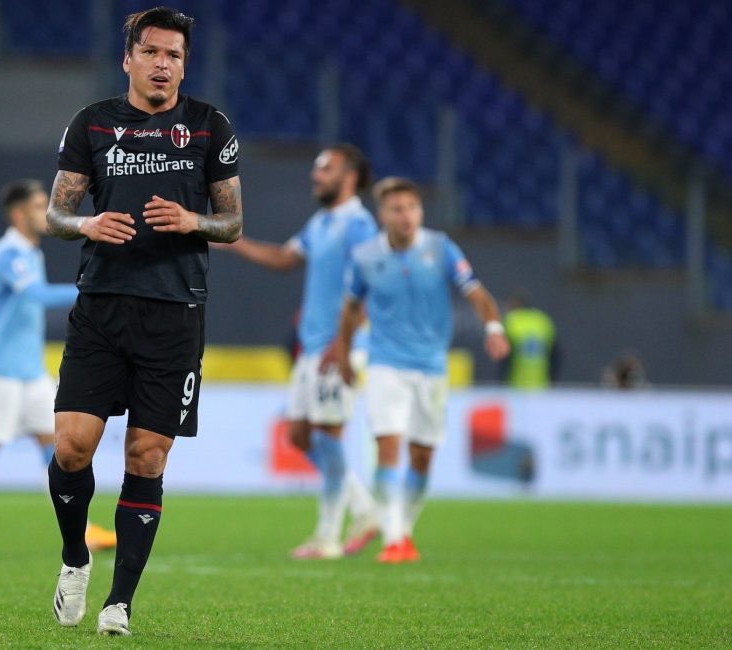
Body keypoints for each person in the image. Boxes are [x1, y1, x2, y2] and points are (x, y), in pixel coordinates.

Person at [44, 7, 242, 637]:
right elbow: (55, 214)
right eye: (152, 52)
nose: (163, 64)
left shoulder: (209, 126)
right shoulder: (93, 123)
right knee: (72, 446)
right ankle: (75, 557)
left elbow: (232, 223)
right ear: (128, 58)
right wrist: (87, 223)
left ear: (185, 64)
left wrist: (193, 221)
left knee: (147, 456)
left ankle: (119, 603)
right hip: (102, 305)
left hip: (175, 313)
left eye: (174, 55)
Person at [334, 177, 510, 563]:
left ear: (421, 211)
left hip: (432, 366)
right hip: (385, 364)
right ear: (383, 215)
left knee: (422, 456)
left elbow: (476, 292)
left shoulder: (440, 248)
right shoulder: (365, 256)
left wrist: (494, 328)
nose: (406, 216)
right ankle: (394, 537)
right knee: (388, 445)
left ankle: (403, 530)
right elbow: (350, 310)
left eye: (412, 208)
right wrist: (344, 357)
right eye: (397, 209)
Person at [220, 144, 380, 559]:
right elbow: (284, 258)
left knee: (328, 435)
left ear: (349, 177)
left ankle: (328, 537)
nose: (316, 175)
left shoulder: (359, 226)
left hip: (338, 346)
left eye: (325, 168)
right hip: (312, 346)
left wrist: (342, 343)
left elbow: (369, 287)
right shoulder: (322, 222)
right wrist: (235, 242)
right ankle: (365, 509)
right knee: (299, 434)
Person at [0, 179, 116, 557]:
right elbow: (37, 295)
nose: (48, 211)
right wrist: (92, 288)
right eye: (40, 205)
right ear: (19, 214)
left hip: (31, 372)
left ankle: (83, 529)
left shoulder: (30, 253)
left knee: (58, 450)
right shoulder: (7, 254)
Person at [501, 289, 559, 388]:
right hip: (541, 383)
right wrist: (552, 379)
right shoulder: (542, 320)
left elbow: (504, 356)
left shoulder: (511, 321)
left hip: (516, 383)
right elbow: (555, 355)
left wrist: (502, 381)